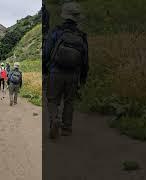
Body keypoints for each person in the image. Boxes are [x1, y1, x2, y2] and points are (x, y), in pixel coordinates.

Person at [43, 2, 89, 139]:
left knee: (52, 99)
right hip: (73, 74)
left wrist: (45, 70)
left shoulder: (56, 32)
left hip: (55, 71)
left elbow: (46, 52)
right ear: (77, 18)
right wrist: (83, 78)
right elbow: (85, 59)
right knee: (69, 101)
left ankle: (54, 119)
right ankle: (67, 128)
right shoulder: (81, 35)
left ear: (64, 16)